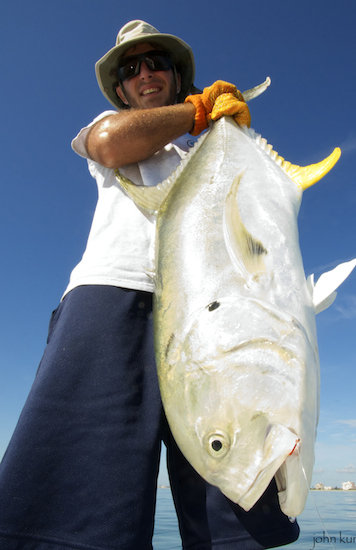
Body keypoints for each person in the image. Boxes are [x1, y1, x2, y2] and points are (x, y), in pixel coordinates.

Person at [0, 20, 300, 550]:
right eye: (130, 68)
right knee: (77, 513)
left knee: (235, 493)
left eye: (156, 63)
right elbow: (112, 144)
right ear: (120, 88)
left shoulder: (205, 150)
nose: (145, 74)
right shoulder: (114, 127)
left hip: (214, 306)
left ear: (175, 74)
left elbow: (261, 221)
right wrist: (200, 111)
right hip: (113, 298)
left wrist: (228, 134)